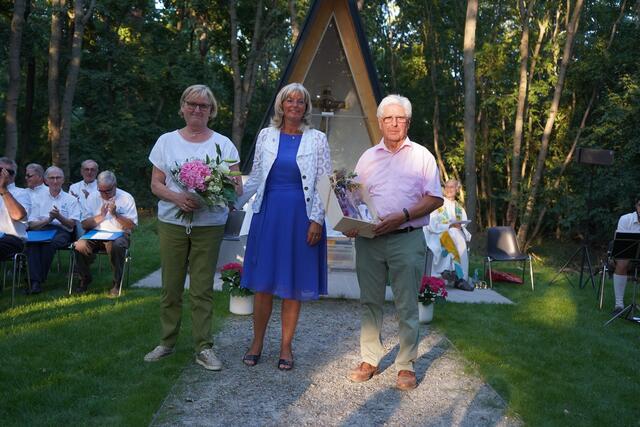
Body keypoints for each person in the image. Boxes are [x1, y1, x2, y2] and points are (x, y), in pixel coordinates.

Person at [344, 94, 443, 391]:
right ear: (380, 122)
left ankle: (405, 365)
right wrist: (350, 221)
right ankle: (370, 359)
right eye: (388, 118)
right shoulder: (367, 157)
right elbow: (353, 199)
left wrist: (402, 216)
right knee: (370, 301)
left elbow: (435, 197)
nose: (394, 123)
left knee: (406, 304)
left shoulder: (422, 156)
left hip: (406, 238)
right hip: (370, 240)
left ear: (408, 121)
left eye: (400, 118)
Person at [144, 84, 242, 371]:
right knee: (171, 286)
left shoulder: (223, 145)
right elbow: (156, 184)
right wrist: (178, 197)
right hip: (173, 222)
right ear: (183, 106)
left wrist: (209, 194)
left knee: (201, 288)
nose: (197, 110)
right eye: (192, 104)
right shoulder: (166, 141)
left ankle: (203, 347)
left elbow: (236, 185)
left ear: (211, 112)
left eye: (204, 106)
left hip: (208, 224)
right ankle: (166, 342)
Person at [235, 82, 331, 371]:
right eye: (289, 100)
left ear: (305, 108)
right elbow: (256, 178)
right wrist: (231, 199)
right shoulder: (266, 135)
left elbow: (325, 184)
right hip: (268, 216)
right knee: (263, 284)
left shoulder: (317, 139)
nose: (294, 105)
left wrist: (316, 220)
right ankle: (257, 342)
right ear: (281, 105)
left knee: (292, 285)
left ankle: (286, 347)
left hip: (301, 218)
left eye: (300, 101)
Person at [73, 171, 137, 296]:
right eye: (101, 191)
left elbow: (131, 226)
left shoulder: (126, 197)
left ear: (115, 185)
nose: (104, 194)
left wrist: (115, 214)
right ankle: (84, 278)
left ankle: (116, 283)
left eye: (107, 191)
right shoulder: (92, 197)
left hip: (119, 234)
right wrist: (101, 216)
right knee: (79, 245)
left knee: (117, 246)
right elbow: (84, 224)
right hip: (95, 233)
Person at [26, 166, 81, 294]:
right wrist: (48, 219)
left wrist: (59, 217)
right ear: (46, 180)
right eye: (52, 178)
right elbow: (32, 224)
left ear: (63, 180)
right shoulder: (37, 199)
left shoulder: (71, 200)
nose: (55, 181)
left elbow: (71, 225)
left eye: (58, 178)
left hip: (61, 231)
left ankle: (36, 281)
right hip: (40, 228)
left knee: (49, 244)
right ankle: (36, 282)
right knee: (31, 244)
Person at [424, 179, 472, 288]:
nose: (449, 190)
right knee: (455, 236)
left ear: (457, 189)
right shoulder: (438, 203)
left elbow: (463, 224)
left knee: (458, 236)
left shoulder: (459, 208)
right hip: (437, 234)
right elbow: (431, 223)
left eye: (452, 187)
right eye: (447, 187)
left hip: (454, 235)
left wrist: (459, 226)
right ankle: (456, 277)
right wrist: (449, 226)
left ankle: (461, 278)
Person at [612, 197, 640, 314]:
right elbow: (621, 246)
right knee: (622, 262)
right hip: (627, 255)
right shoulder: (625, 219)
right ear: (636, 206)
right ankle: (619, 305)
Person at [0, 157, 29, 261]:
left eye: (8, 172)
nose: (3, 174)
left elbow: (18, 215)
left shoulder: (22, 193)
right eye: (0, 170)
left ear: (14, 175)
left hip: (12, 239)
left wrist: (3, 190)